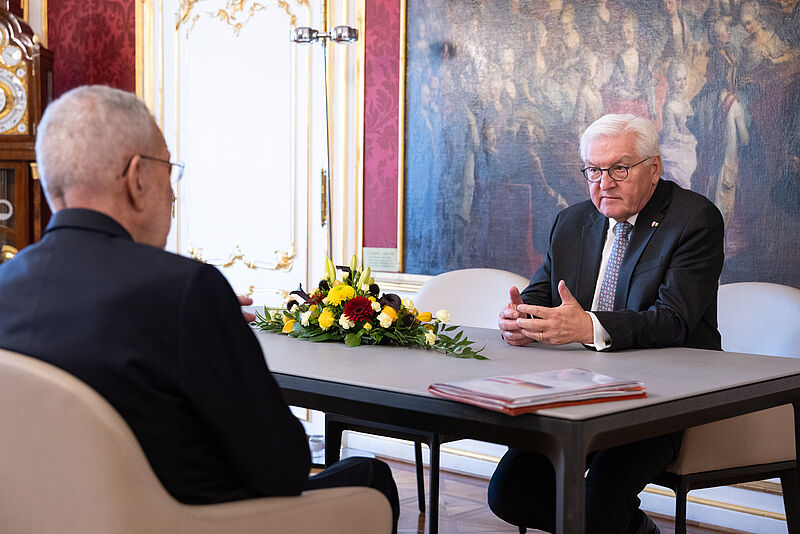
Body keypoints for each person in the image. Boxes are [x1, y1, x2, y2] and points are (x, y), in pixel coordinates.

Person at [0, 85, 399, 531]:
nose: (172, 191)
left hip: (46, 517)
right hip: (182, 520)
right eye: (168, 170)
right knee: (370, 477)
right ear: (137, 178)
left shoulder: (5, 287)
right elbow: (283, 465)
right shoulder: (185, 290)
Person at [490, 114, 724, 534]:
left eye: (619, 168)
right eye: (594, 171)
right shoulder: (572, 221)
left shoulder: (694, 220)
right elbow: (544, 294)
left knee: (599, 504)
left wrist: (587, 328)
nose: (605, 183)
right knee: (509, 492)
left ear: (654, 168)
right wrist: (521, 317)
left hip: (663, 395)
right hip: (578, 389)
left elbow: (674, 321)